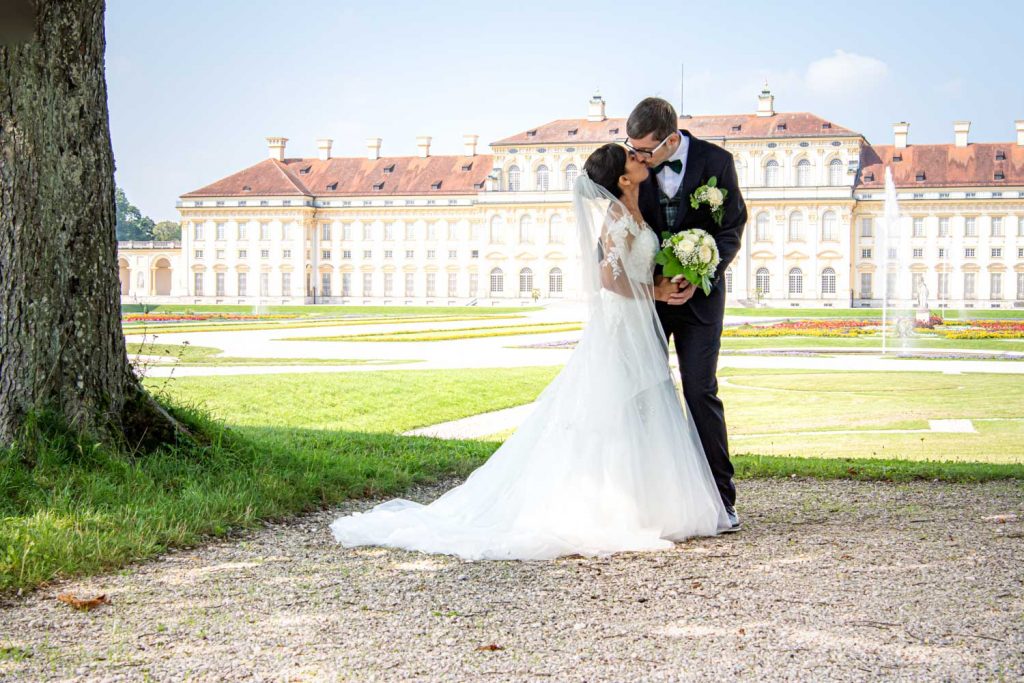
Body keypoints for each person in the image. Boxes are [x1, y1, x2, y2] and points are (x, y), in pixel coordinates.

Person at [330, 143, 730, 561]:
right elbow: (608, 281)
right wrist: (659, 292)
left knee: (638, 405)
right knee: (618, 406)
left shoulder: (633, 210)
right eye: (632, 158)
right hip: (620, 323)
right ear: (624, 180)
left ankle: (639, 500)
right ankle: (610, 503)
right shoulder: (616, 217)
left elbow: (633, 267)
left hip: (634, 322)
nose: (641, 158)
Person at [626, 98, 747, 530]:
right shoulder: (632, 167)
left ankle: (721, 499)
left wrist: (701, 274)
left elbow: (731, 227)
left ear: (672, 140)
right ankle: (649, 501)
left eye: (646, 151)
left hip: (701, 300)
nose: (638, 157)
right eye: (633, 148)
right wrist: (653, 286)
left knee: (700, 392)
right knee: (646, 395)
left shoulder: (718, 162)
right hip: (647, 303)